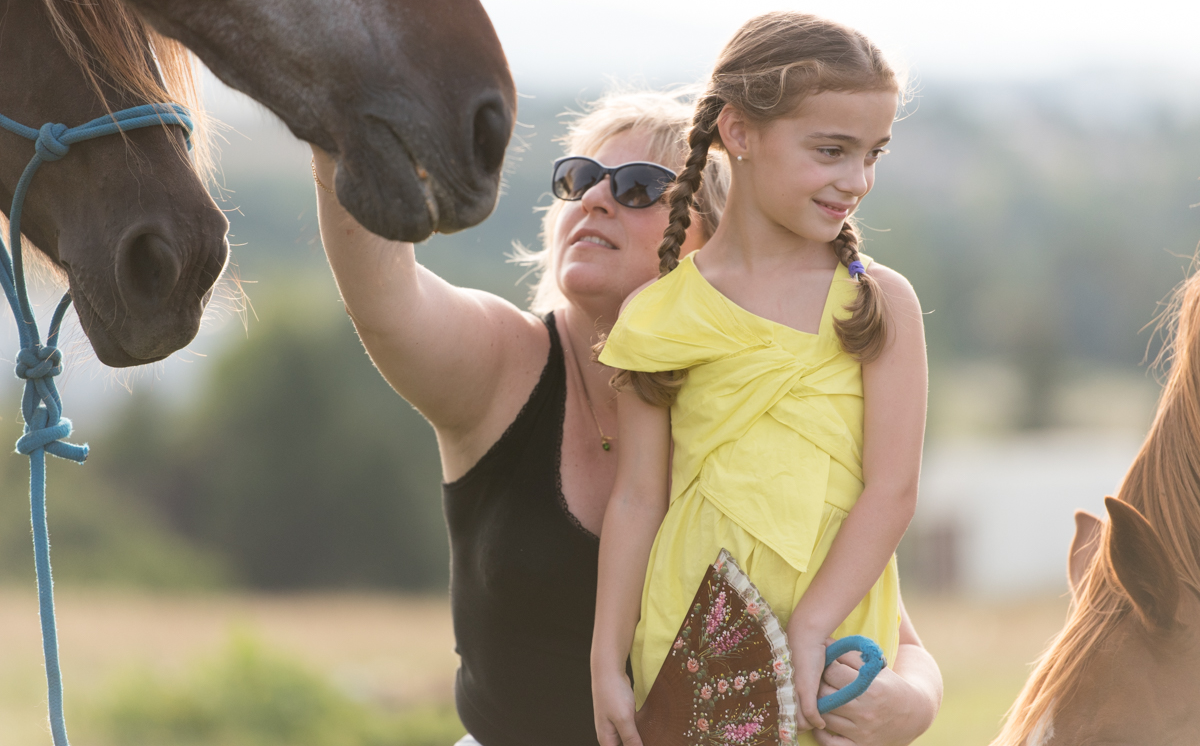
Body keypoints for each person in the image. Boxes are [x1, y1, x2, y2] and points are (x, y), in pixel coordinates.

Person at [312, 87, 941, 746]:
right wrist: (330, 116)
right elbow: (382, 292)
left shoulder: (768, 396)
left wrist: (916, 703)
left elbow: (893, 628)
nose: (594, 198)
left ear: (713, 235)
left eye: (639, 187)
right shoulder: (506, 360)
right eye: (579, 178)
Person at [592, 14, 928, 746]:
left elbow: (892, 489)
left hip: (838, 645)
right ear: (739, 133)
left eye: (873, 154)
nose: (857, 180)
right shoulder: (655, 315)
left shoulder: (880, 304)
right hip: (695, 638)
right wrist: (605, 661)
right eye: (833, 151)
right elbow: (639, 497)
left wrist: (811, 623)